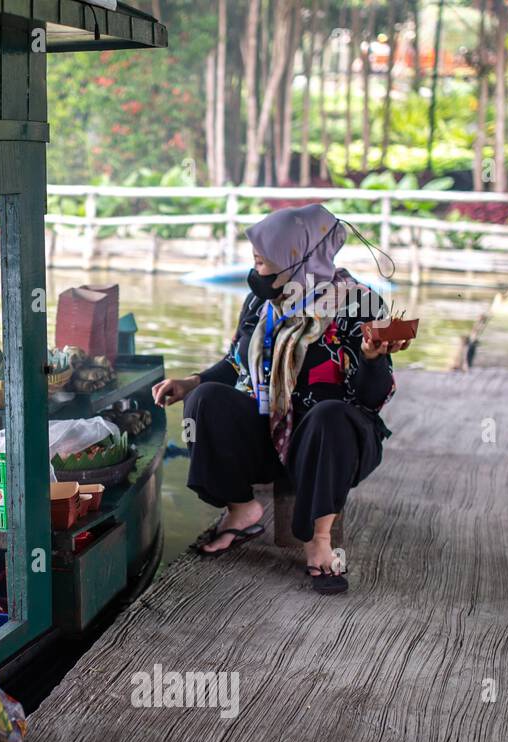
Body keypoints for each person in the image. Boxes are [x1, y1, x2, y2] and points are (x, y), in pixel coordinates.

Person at [151, 204, 411, 594]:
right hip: (273, 429)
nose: (257, 270)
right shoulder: (262, 301)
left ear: (301, 256)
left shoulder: (359, 303)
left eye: (264, 261)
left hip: (334, 445)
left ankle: (319, 540)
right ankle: (241, 511)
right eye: (256, 260)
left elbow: (372, 398)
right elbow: (236, 362)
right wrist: (190, 383)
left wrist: (373, 360)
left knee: (328, 415)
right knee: (206, 400)